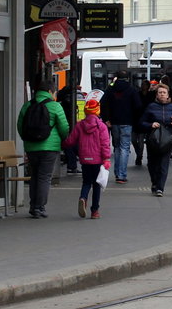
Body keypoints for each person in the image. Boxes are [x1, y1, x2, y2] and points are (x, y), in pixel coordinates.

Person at [17, 77, 70, 219]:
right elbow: (64, 127)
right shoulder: (55, 106)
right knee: (44, 177)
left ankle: (33, 206)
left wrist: (27, 140)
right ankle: (39, 207)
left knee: (34, 175)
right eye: (55, 93)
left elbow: (20, 126)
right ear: (49, 91)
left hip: (31, 147)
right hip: (49, 147)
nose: (55, 95)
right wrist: (62, 139)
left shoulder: (27, 105)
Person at [62, 97, 111, 219]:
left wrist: (63, 143)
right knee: (96, 185)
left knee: (86, 182)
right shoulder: (102, 126)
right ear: (97, 111)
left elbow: (71, 141)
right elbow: (105, 144)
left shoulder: (80, 125)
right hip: (97, 160)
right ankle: (95, 211)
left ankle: (83, 198)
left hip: (85, 159)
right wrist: (106, 159)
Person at [140, 84, 172, 196]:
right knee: (152, 163)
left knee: (164, 164)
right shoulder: (151, 106)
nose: (162, 94)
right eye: (160, 92)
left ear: (168, 95)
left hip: (167, 139)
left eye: (164, 92)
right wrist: (151, 124)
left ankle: (160, 188)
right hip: (153, 139)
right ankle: (154, 182)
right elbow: (142, 122)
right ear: (157, 94)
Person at [101, 75, 142, 185]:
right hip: (127, 122)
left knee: (117, 147)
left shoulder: (110, 89)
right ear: (127, 78)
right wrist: (134, 119)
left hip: (114, 122)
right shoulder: (131, 89)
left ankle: (117, 173)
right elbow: (138, 106)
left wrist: (106, 119)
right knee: (125, 148)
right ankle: (121, 175)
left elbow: (103, 103)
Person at [56, 84, 79, 174]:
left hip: (67, 126)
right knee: (71, 145)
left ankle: (71, 164)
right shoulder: (68, 101)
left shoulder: (60, 102)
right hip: (69, 126)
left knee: (70, 145)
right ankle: (72, 165)